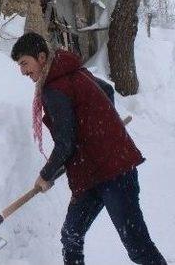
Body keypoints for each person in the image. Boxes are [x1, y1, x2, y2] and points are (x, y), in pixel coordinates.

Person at [11, 32, 166, 265]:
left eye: (24, 63)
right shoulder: (72, 71)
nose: (22, 72)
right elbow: (107, 91)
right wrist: (101, 127)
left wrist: (46, 175)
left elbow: (66, 141)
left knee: (137, 245)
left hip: (114, 172)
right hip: (92, 173)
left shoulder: (55, 88)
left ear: (41, 57)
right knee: (71, 236)